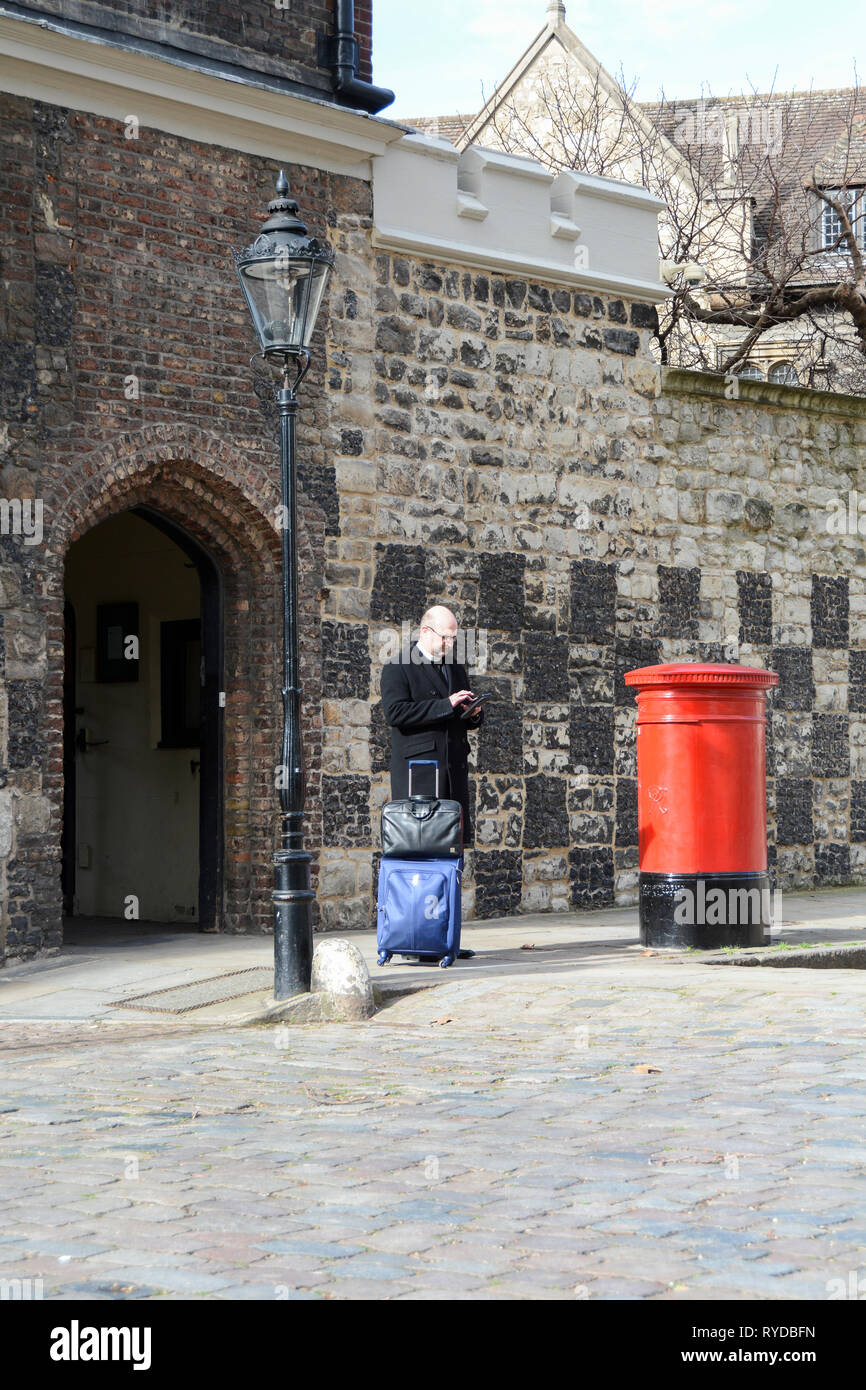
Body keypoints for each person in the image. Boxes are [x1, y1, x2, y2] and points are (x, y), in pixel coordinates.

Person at [380, 604, 483, 845]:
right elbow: (395, 713)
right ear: (425, 631)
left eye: (454, 638)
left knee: (452, 849)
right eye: (445, 637)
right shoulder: (399, 667)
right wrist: (446, 704)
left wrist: (473, 713)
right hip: (420, 774)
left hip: (454, 771)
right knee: (421, 846)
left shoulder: (455, 667)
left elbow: (455, 716)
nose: (450, 643)